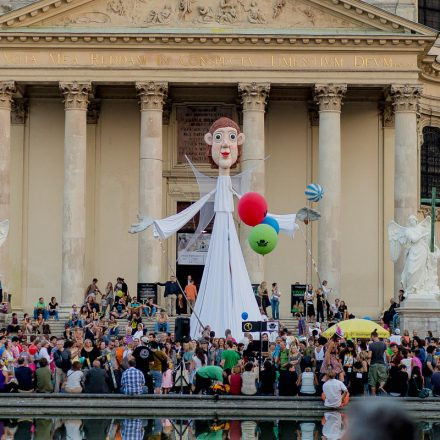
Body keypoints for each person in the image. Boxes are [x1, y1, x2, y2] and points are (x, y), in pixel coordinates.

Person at [368, 330, 389, 395]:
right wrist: (388, 362)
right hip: (382, 364)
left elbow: (369, 356)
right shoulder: (383, 344)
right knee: (383, 378)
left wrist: (366, 357)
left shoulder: (371, 345)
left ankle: (373, 398)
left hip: (373, 364)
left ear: (372, 336)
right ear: (377, 336)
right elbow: (387, 355)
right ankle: (381, 386)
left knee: (373, 382)